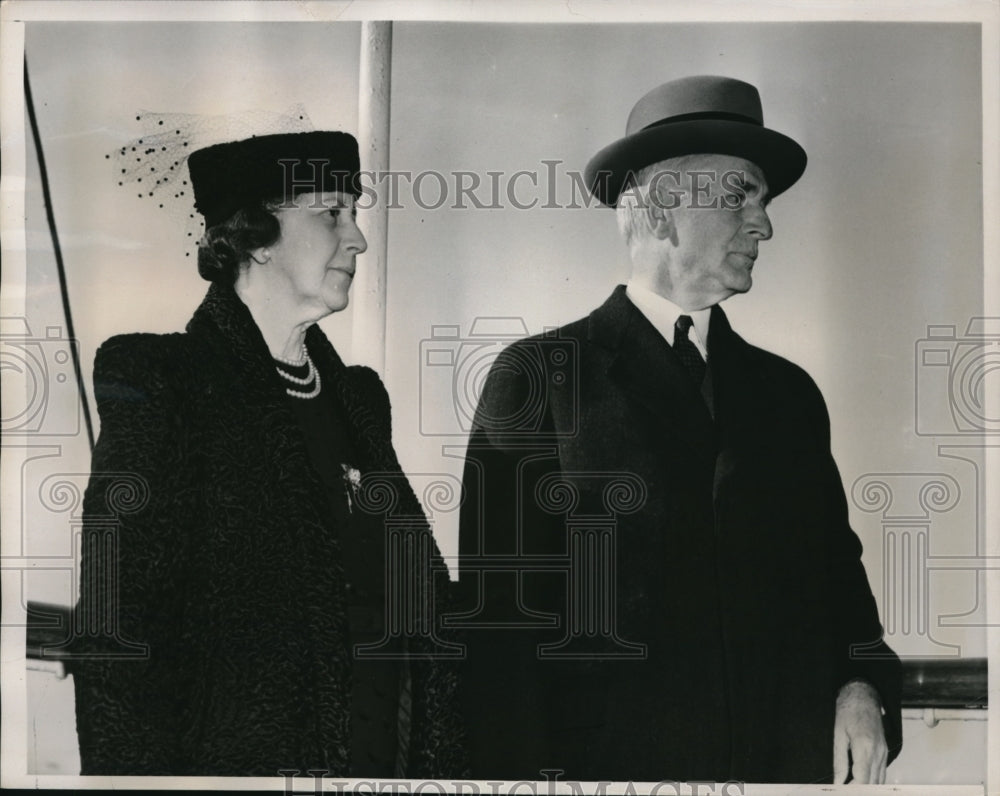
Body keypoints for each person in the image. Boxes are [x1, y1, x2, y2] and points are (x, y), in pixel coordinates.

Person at [456, 76, 902, 784]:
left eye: (763, 200)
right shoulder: (540, 377)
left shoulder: (788, 396)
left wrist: (861, 686)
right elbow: (501, 638)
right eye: (739, 196)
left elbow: (840, 589)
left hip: (778, 770)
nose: (764, 224)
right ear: (662, 210)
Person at [71, 130, 465, 777]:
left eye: (355, 213)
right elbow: (117, 639)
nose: (358, 238)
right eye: (331, 212)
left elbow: (423, 610)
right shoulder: (163, 383)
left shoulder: (360, 401)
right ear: (253, 235)